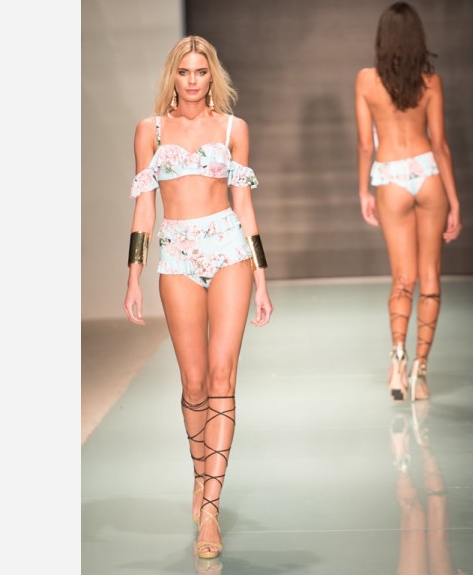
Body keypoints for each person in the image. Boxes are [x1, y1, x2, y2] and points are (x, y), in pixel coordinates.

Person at [123, 35, 273, 560]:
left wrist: (260, 276)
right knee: (193, 383)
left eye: (201, 72)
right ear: (173, 75)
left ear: (212, 76)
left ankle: (211, 505)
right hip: (176, 254)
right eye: (184, 72)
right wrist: (133, 274)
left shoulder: (233, 129)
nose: (192, 81)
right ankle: (199, 473)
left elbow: (244, 206)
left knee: (221, 375)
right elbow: (145, 207)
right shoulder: (150, 130)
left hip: (228, 248)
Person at [355, 1, 462, 403]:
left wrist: (363, 190)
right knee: (430, 276)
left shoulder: (366, 81)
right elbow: (440, 145)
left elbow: (366, 145)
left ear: (382, 38)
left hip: (392, 177)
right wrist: (454, 201)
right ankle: (421, 371)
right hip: (428, 174)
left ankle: (398, 361)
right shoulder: (430, 82)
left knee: (403, 278)